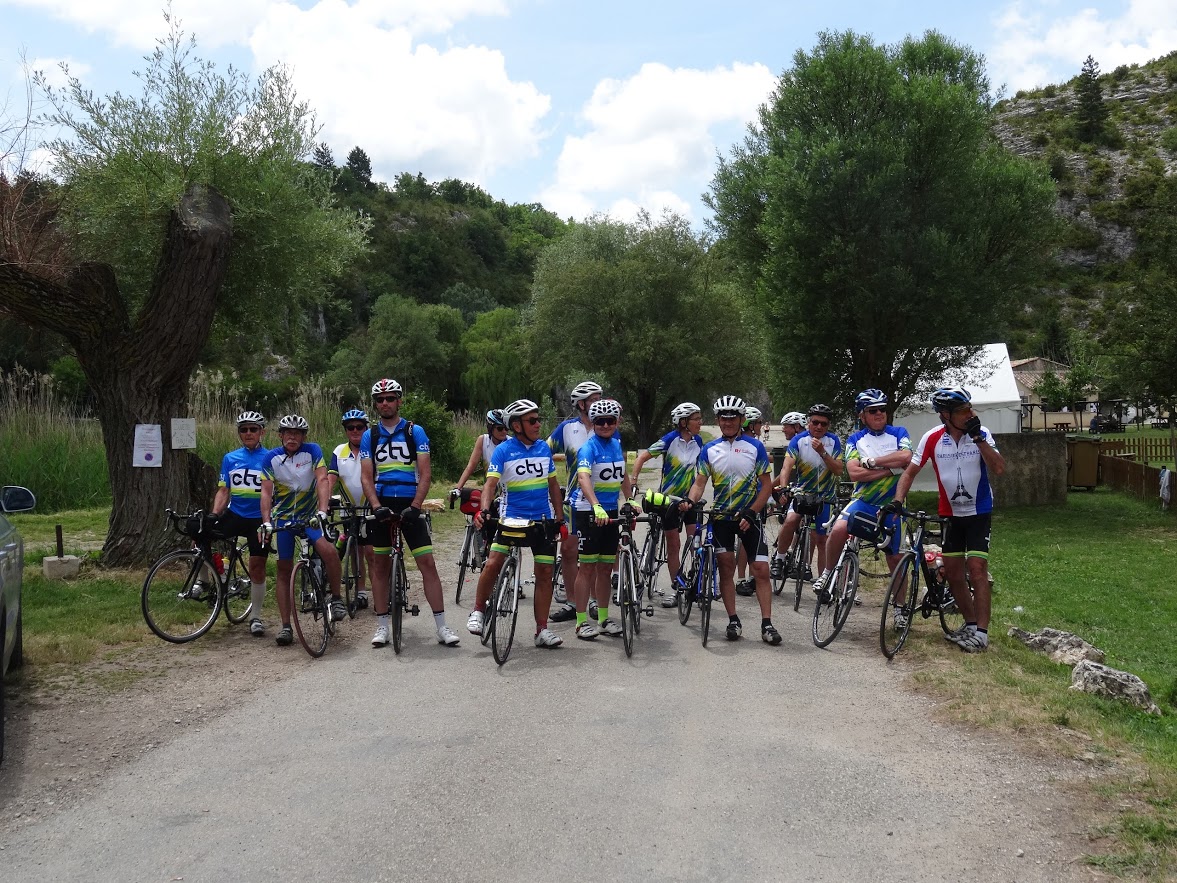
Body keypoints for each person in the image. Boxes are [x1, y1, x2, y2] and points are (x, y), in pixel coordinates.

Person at [889, 386, 1005, 652]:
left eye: (969, 408)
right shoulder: (932, 438)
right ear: (945, 415)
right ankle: (971, 624)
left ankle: (983, 635)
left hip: (978, 512)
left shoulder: (982, 433)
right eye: (963, 410)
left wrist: (979, 439)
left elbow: (999, 468)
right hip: (950, 515)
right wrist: (897, 500)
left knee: (976, 570)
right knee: (953, 573)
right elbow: (909, 472)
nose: (970, 414)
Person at [359, 378, 460, 648]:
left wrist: (416, 506)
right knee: (379, 566)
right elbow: (366, 477)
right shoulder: (371, 435)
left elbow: (426, 474)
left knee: (427, 564)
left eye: (390, 398)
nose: (385, 403)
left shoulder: (416, 431)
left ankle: (442, 626)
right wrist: (375, 505)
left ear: (399, 401)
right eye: (380, 400)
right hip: (381, 503)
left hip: (410, 502)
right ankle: (382, 627)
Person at [679, 395, 782, 645]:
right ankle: (733, 619)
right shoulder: (709, 450)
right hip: (722, 517)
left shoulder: (754, 447)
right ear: (718, 420)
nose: (728, 422)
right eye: (723, 418)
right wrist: (690, 502)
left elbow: (766, 486)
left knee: (761, 570)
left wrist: (753, 511)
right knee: (726, 567)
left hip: (749, 516)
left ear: (741, 420)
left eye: (732, 418)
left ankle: (767, 623)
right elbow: (699, 484)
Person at [466, 399, 564, 648]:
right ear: (517, 425)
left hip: (542, 519)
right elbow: (489, 485)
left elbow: (553, 485)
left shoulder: (544, 449)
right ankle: (478, 610)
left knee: (545, 573)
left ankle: (542, 629)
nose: (538, 424)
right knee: (493, 562)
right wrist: (485, 510)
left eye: (538, 419)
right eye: (533, 420)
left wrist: (560, 518)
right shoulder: (504, 450)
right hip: (511, 519)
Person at [258, 415, 345, 647]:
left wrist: (323, 511)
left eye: (297, 433)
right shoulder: (271, 458)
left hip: (309, 518)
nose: (292, 437)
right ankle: (286, 626)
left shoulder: (313, 451)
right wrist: (266, 521)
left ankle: (336, 599)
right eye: (288, 432)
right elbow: (266, 493)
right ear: (281, 435)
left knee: (328, 551)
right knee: (283, 568)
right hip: (284, 519)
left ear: (304, 437)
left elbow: (322, 480)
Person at [816, 389, 911, 599]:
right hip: (864, 501)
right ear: (862, 415)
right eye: (873, 410)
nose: (879, 414)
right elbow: (854, 472)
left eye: (882, 409)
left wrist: (874, 463)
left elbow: (906, 457)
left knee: (895, 559)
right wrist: (890, 469)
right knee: (839, 528)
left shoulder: (899, 433)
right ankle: (827, 573)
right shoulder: (855, 439)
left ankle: (900, 608)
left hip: (892, 504)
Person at [568, 398, 633, 639]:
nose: (606, 425)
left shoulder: (616, 444)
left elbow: (623, 474)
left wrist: (629, 499)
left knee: (606, 568)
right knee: (587, 567)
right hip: (588, 510)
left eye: (610, 421)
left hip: (610, 511)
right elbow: (584, 478)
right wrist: (595, 506)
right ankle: (581, 621)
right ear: (593, 423)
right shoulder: (589, 447)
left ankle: (604, 619)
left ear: (617, 422)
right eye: (600, 421)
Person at [629, 402, 703, 607]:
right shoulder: (670, 440)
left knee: (694, 542)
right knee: (674, 545)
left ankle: (694, 583)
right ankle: (677, 589)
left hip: (689, 501)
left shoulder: (698, 441)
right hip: (669, 501)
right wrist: (633, 483)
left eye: (699, 418)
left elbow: (705, 468)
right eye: (696, 419)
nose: (700, 422)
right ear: (683, 422)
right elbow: (642, 457)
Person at [546, 380, 604, 622]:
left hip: (603, 500)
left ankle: (593, 601)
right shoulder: (567, 428)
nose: (599, 403)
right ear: (581, 404)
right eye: (594, 399)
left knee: (597, 554)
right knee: (569, 551)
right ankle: (572, 602)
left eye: (601, 398)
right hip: (573, 500)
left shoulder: (607, 426)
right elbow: (543, 451)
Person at [210, 410, 272, 637]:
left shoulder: (271, 457)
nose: (248, 433)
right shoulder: (230, 458)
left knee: (257, 566)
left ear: (261, 432)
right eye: (243, 430)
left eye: (253, 429)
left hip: (258, 519)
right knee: (202, 533)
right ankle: (208, 579)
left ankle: (255, 617)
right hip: (235, 513)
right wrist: (214, 514)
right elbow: (224, 490)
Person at [772, 404, 843, 584]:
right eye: (815, 422)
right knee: (790, 520)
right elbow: (787, 465)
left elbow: (838, 470)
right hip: (802, 493)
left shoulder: (833, 441)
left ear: (828, 426)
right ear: (808, 423)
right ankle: (780, 558)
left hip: (825, 496)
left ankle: (824, 581)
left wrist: (822, 453)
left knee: (822, 539)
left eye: (824, 424)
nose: (819, 427)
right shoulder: (799, 440)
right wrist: (783, 487)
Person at [327, 408, 376, 609]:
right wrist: (327, 499)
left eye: (359, 427)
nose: (355, 430)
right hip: (349, 510)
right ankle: (361, 592)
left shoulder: (373, 447)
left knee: (372, 553)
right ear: (346, 430)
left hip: (370, 508)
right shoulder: (339, 451)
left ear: (366, 428)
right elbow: (331, 478)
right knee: (356, 551)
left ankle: (382, 594)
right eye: (350, 428)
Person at [735, 406, 767, 595]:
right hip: (748, 499)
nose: (761, 426)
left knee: (749, 543)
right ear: (750, 424)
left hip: (757, 498)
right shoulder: (749, 444)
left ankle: (748, 577)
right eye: (759, 423)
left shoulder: (755, 443)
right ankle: (741, 578)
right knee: (745, 543)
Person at [455, 409, 509, 490]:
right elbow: (470, 467)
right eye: (500, 428)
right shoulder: (483, 440)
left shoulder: (510, 443)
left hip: (507, 491)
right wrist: (457, 488)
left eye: (506, 428)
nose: (504, 431)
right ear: (490, 428)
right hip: (490, 491)